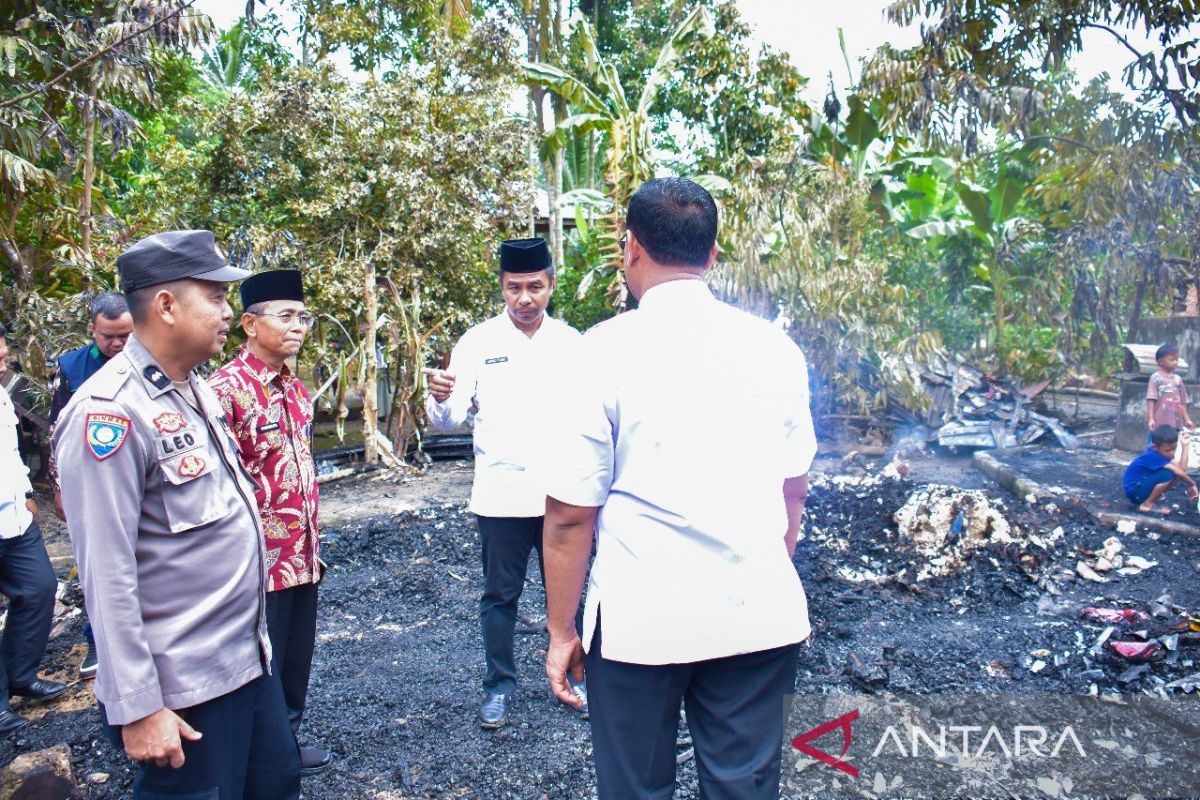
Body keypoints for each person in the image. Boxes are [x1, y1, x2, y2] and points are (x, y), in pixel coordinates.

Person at [542, 178, 817, 799]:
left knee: (636, 789)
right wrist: (761, 566)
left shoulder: (598, 353)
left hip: (642, 620)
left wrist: (563, 631)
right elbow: (793, 490)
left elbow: (567, 516)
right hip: (756, 614)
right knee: (742, 788)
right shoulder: (774, 349)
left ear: (630, 249)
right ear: (712, 255)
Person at [53, 230, 300, 799]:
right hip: (185, 687)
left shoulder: (195, 390)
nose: (226, 310)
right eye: (213, 296)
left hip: (244, 657)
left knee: (276, 783)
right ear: (165, 306)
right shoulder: (108, 416)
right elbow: (106, 576)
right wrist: (137, 707)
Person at [425, 237, 583, 729]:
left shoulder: (573, 344)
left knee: (571, 593)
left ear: (551, 285)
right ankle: (498, 686)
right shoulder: (478, 342)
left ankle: (576, 676)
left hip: (563, 495)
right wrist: (439, 397)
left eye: (534, 287)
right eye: (514, 288)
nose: (524, 298)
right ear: (502, 287)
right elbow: (448, 422)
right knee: (500, 595)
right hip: (501, 494)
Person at [209, 270, 332, 776]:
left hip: (301, 555)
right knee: (259, 663)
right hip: (256, 561)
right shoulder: (225, 392)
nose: (298, 326)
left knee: (294, 660)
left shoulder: (293, 388)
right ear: (249, 324)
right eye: (285, 317)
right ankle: (263, 758)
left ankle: (287, 744)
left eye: (302, 317)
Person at [47, 291, 133, 678]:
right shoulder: (71, 367)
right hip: (88, 478)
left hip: (134, 477)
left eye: (125, 335)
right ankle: (97, 642)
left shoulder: (151, 357)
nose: (117, 344)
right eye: (108, 337)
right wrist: (58, 487)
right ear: (92, 331)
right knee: (95, 563)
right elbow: (56, 431)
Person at [0, 321, 68, 735]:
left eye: (3, 358)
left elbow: (9, 453)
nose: (1, 366)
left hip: (13, 516)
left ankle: (19, 676)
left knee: (40, 588)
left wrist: (27, 490)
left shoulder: (3, 397)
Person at [1123, 424, 1199, 514]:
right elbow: (1178, 472)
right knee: (1168, 474)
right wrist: (1193, 484)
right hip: (1135, 493)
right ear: (1155, 447)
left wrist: (1185, 446)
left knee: (1176, 475)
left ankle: (1150, 500)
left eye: (1174, 449)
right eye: (1168, 450)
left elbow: (1182, 470)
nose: (1172, 453)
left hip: (1141, 488)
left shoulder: (1162, 453)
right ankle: (1146, 505)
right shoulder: (1152, 455)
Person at [1147, 344, 1196, 467]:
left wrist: (1187, 419)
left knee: (1170, 449)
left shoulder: (1178, 380)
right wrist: (1151, 418)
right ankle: (1150, 470)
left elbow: (1182, 402)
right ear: (1160, 361)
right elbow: (1151, 399)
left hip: (1175, 423)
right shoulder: (1156, 378)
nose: (1175, 362)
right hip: (1159, 423)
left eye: (1176, 359)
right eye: (1171, 359)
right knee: (1154, 446)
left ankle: (1167, 474)